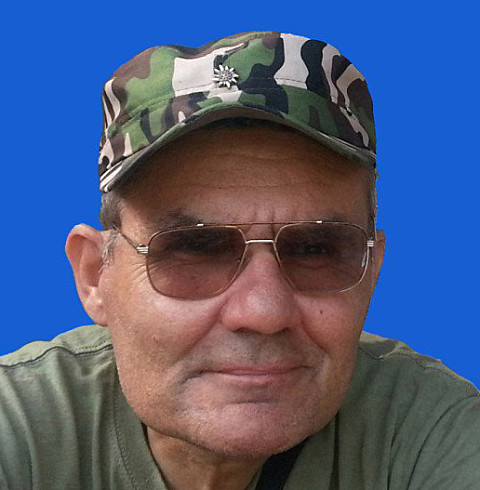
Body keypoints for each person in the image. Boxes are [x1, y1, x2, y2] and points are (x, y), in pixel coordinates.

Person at [0, 31, 479, 490]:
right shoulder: (18, 429)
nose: (263, 312)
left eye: (316, 249)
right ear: (94, 276)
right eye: (194, 248)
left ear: (371, 273)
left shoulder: (432, 432)